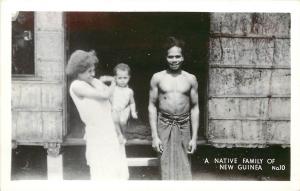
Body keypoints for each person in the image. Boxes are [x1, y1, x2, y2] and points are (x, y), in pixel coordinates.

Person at [66, 50, 129, 180]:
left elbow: (111, 93)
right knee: (102, 171)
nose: (93, 74)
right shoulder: (76, 86)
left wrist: (110, 82)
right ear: (78, 71)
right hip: (98, 133)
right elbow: (105, 95)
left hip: (110, 129)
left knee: (116, 171)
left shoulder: (93, 81)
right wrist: (113, 83)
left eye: (93, 70)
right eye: (89, 71)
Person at [148, 36, 199, 180]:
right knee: (164, 165)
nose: (174, 60)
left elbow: (195, 108)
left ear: (183, 57)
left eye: (178, 56)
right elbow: (152, 105)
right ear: (166, 58)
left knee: (184, 165)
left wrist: (194, 138)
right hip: (164, 124)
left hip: (184, 125)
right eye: (171, 57)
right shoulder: (157, 78)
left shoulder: (190, 79)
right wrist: (154, 136)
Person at [109, 63, 138, 144]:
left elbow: (132, 102)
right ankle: (119, 135)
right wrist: (112, 107)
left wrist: (133, 112)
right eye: (120, 78)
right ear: (115, 78)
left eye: (125, 78)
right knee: (114, 120)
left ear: (129, 78)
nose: (122, 80)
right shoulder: (113, 88)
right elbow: (108, 98)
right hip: (115, 109)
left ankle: (124, 134)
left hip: (125, 108)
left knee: (122, 121)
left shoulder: (129, 91)